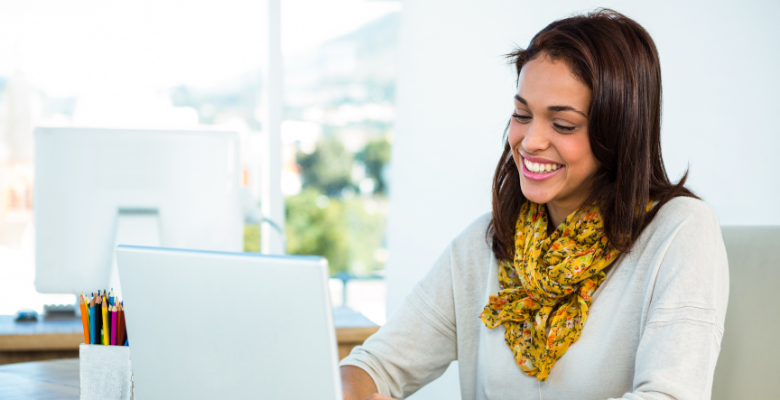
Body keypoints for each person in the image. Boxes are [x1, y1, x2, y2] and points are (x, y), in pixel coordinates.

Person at [340, 9, 729, 400]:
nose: (530, 142)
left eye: (563, 125)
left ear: (619, 130)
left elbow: (669, 396)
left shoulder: (680, 231)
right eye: (522, 115)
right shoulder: (484, 243)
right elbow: (374, 365)